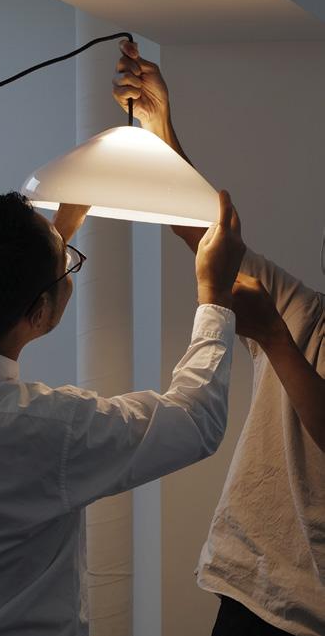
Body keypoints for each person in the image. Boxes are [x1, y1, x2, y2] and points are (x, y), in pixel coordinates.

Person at [0, 183, 244, 636]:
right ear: (39, 311)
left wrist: (49, 248)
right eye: (69, 267)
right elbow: (195, 419)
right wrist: (215, 296)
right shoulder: (45, 429)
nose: (71, 272)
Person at [113, 40, 325, 636]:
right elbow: (205, 232)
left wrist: (274, 338)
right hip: (246, 588)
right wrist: (160, 129)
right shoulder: (308, 310)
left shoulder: (292, 320)